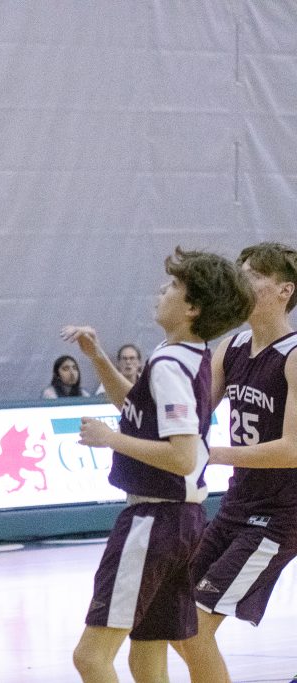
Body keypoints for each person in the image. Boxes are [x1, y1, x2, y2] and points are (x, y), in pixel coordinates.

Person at [61, 247, 253, 683]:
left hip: (153, 518)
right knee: (145, 656)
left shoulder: (168, 362)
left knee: (90, 657)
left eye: (173, 286)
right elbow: (136, 408)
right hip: (184, 521)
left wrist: (111, 439)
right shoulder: (189, 353)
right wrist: (97, 356)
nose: (161, 290)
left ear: (191, 307)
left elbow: (183, 457)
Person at [175, 242, 297, 682]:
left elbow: (292, 449)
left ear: (285, 290)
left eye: (254, 274)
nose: (241, 279)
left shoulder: (294, 355)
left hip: (280, 515)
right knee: (176, 618)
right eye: (239, 271)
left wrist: (212, 453)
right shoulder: (233, 345)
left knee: (196, 628)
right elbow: (195, 414)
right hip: (234, 507)